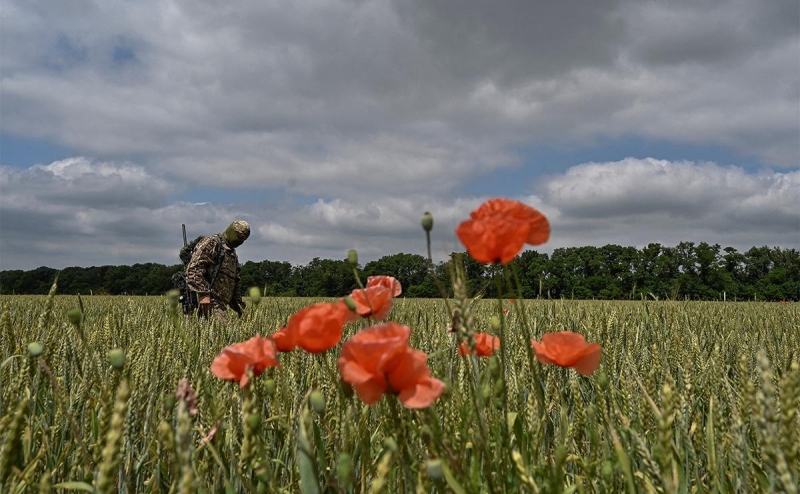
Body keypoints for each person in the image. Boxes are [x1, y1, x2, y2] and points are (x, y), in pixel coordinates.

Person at [185, 220, 250, 321]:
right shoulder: (213, 243)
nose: (239, 241)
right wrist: (204, 294)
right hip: (209, 302)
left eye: (243, 239)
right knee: (223, 332)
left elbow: (234, 282)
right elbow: (195, 268)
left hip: (221, 305)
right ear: (231, 231)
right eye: (238, 236)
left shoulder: (232, 254)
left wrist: (240, 308)